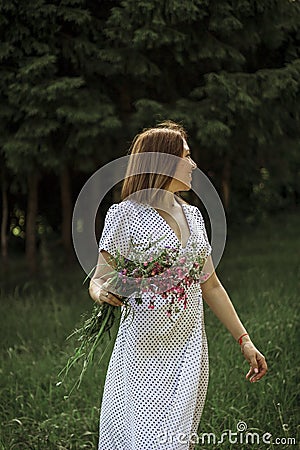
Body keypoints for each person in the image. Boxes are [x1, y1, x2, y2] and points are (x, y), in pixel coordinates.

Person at [89, 121, 268, 450]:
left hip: (189, 350)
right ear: (163, 162)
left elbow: (211, 285)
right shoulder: (124, 215)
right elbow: (99, 278)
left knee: (176, 442)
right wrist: (103, 294)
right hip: (143, 353)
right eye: (186, 156)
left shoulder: (195, 217)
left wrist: (244, 340)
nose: (193, 164)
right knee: (144, 440)